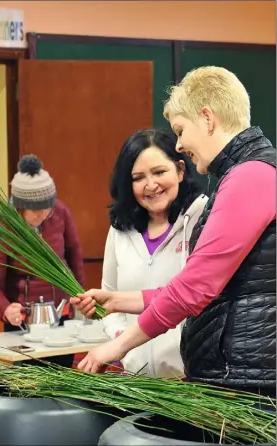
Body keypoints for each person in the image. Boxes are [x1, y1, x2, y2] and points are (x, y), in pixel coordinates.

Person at [71, 66, 276, 397]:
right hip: (240, 372)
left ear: (207, 118)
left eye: (181, 130)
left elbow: (194, 288)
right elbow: (208, 288)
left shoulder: (250, 176)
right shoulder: (246, 174)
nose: (179, 144)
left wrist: (117, 347)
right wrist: (120, 300)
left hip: (247, 378)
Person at [101, 128, 207, 376]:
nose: (151, 185)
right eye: (138, 178)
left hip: (191, 382)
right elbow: (109, 298)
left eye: (159, 172)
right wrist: (122, 339)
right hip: (136, 382)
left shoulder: (202, 217)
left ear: (180, 170)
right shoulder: (120, 228)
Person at [0, 154, 84, 367]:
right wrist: (5, 309)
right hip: (23, 324)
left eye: (48, 207)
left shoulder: (60, 213)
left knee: (62, 379)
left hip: (60, 320)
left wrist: (80, 295)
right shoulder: (2, 228)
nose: (44, 214)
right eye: (36, 211)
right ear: (20, 207)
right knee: (29, 387)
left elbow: (74, 256)